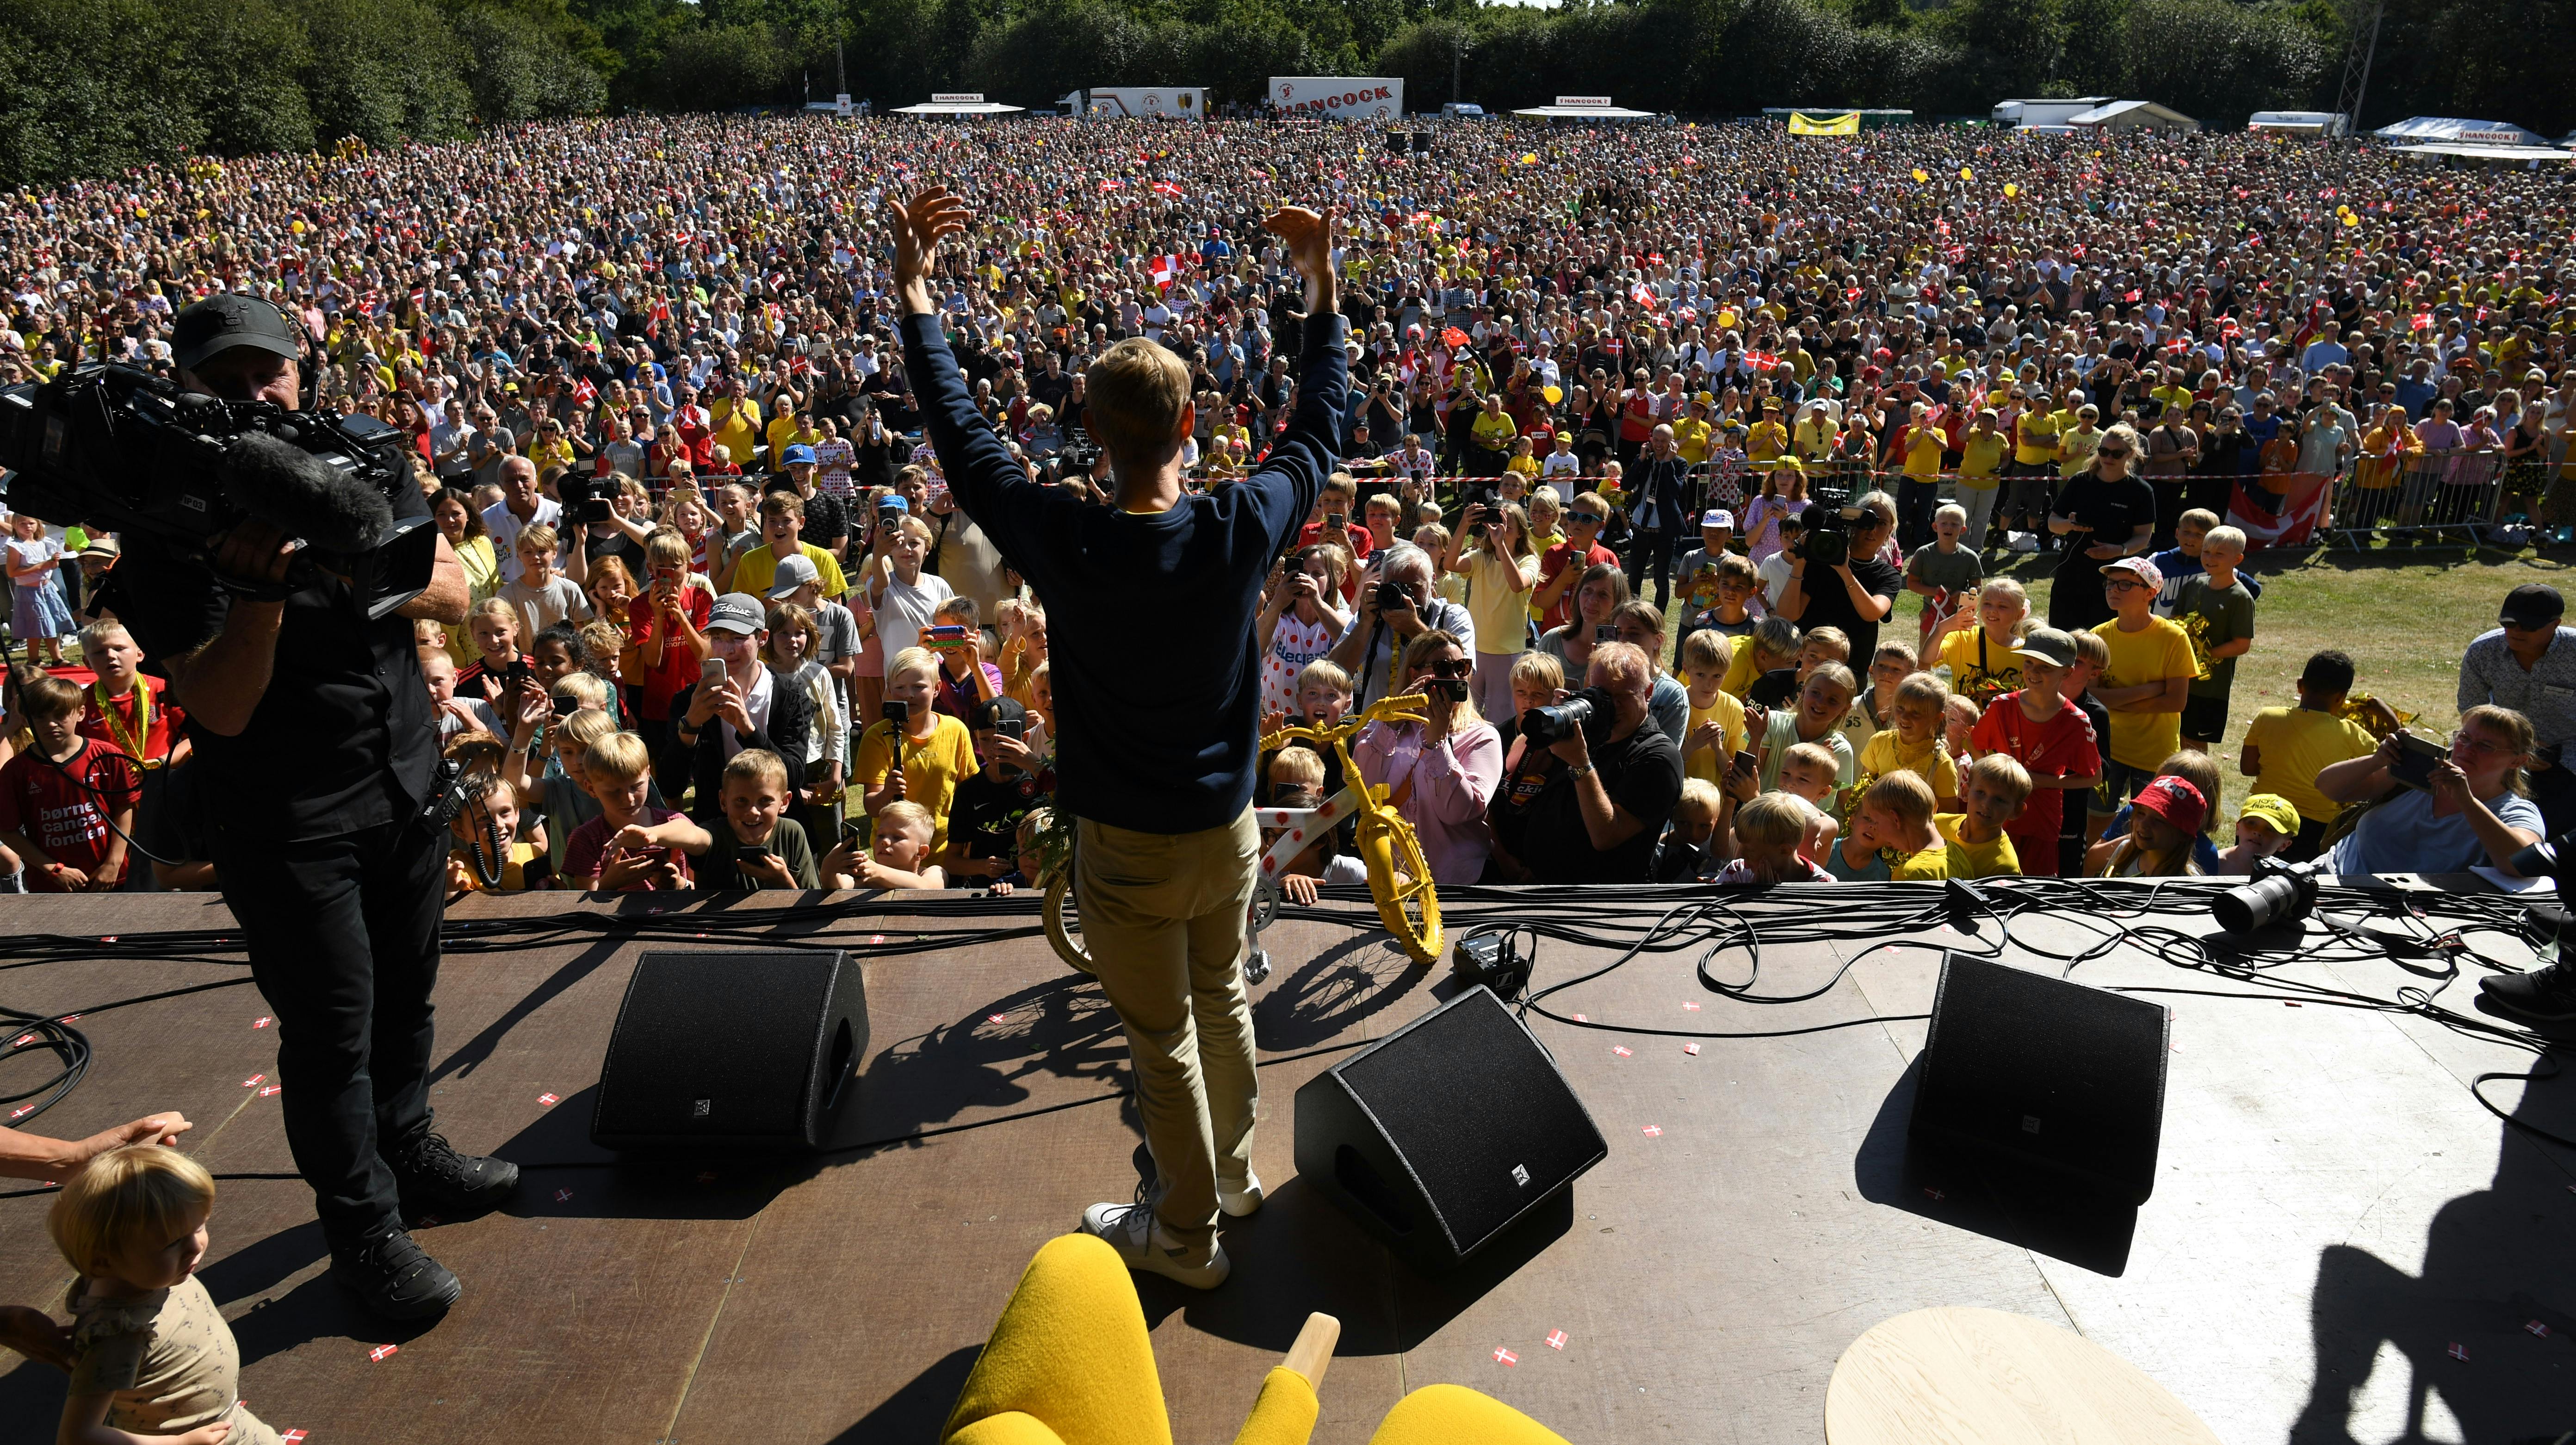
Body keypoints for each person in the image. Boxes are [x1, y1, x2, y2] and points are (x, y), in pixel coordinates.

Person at [889, 185, 1344, 1288]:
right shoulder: (1243, 524)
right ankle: (1231, 1182)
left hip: (1126, 847)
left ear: (1088, 431)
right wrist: (1322, 290)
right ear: (1192, 426)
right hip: (1225, 829)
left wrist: (916, 300)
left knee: (1163, 1042)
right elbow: (1320, 427)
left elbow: (965, 442)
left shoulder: (1064, 536)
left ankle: (1184, 1236)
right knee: (1224, 1001)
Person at [92, 293, 500, 1321]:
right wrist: (265, 595)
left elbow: (452, 594)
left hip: (403, 776)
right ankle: (362, 1233)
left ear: (301, 371)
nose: (252, 395)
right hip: (287, 815)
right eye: (224, 380)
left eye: (267, 372)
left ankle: (409, 1151)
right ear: (187, 388)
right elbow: (221, 706)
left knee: (409, 993)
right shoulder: (166, 522)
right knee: (331, 1028)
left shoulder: (362, 450)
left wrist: (349, 542)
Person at [49, 1145, 288, 1445]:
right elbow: (77, 1437)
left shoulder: (143, 1272)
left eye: (200, 1225)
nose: (196, 1246)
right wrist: (179, 1443)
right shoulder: (119, 1331)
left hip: (225, 1421)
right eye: (172, 1242)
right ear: (104, 1260)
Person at [1515, 642, 1684, 882]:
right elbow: (1518, 768)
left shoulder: (1659, 757)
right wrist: (1554, 725)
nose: (1610, 707)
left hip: (1594, 899)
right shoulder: (1588, 726)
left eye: (1621, 697)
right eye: (1601, 695)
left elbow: (1607, 835)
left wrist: (1580, 763)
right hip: (1540, 882)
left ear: (1648, 693)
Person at [2319, 704, 2545, 878]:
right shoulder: (2420, 772)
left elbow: (2525, 865)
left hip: (2405, 913)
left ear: (2518, 761)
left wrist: (2467, 802)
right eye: (2464, 738)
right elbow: (2327, 786)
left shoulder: (2513, 811)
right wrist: (2376, 760)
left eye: (2486, 746)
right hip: (2330, 875)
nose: (2468, 749)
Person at [1353, 630, 1502, 884]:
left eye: (1462, 667)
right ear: (1414, 675)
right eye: (1443, 668)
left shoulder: (1483, 736)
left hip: (1457, 880)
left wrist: (1437, 743)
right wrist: (1393, 721)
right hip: (1395, 877)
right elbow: (1365, 789)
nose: (1455, 676)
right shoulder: (1380, 727)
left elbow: (1458, 812)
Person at [1967, 628, 2103, 878]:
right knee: (1986, 881)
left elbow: (2094, 777)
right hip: (1994, 813)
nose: (2033, 672)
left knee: (2032, 887)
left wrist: (2041, 782)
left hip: (2041, 820)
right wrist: (1995, 776)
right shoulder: (2001, 706)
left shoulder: (2077, 721)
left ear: (2067, 672)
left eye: (2046, 667)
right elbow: (1974, 743)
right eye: (2029, 663)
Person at [2238, 650, 2388, 862]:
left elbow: (2248, 768)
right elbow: (2396, 755)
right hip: (2316, 828)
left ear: (2300, 685)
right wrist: (2388, 716)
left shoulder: (2268, 717)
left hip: (2261, 817)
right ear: (2342, 697)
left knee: (2244, 880)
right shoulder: (2351, 733)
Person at [2457, 583, 2576, 833]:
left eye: (2529, 626)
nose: (2516, 631)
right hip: (2502, 751)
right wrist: (2515, 751)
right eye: (2509, 624)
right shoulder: (2483, 651)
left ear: (2556, 624)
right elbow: (2471, 710)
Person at [2089, 557, 2196, 807]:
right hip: (2107, 750)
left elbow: (2176, 701)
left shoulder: (2174, 638)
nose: (2114, 589)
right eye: (2111, 583)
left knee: (2149, 825)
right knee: (2097, 818)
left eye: (2125, 584)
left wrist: (2116, 701)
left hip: (2155, 755)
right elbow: (2093, 697)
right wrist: (2148, 690)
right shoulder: (2098, 636)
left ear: (2150, 593)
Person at [564, 731, 711, 890]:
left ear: (648, 774)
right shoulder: (586, 840)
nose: (629, 799)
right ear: (591, 789)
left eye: (636, 787)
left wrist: (681, 884)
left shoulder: (677, 824)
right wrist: (608, 884)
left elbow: (702, 890)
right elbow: (587, 907)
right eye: (614, 791)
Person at [2046, 422, 2156, 634]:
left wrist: (2119, 550)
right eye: (2104, 451)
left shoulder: (2141, 491)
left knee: (2103, 641)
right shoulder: (2081, 481)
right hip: (2072, 571)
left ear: (2130, 454)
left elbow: (2143, 538)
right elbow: (2052, 523)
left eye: (2116, 454)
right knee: (2063, 636)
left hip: (2116, 578)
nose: (2109, 458)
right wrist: (2069, 525)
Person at [1774, 494, 1901, 658]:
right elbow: (1788, 614)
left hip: (1854, 664)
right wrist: (1800, 562)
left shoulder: (1888, 574)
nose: (1873, 530)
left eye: (1882, 523)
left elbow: (1872, 613)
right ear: (1853, 522)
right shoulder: (1819, 562)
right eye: (1866, 521)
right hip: (1811, 662)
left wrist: (1844, 571)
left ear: (1891, 529)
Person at [2170, 525, 2255, 750]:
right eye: (2207, 551)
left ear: (2238, 559)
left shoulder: (2240, 597)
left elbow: (2242, 644)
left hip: (2210, 686)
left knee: (2194, 743)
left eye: (2219, 553)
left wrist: (2203, 656)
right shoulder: (2193, 586)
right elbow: (2174, 621)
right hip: (2179, 679)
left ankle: (2197, 784)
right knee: (2172, 735)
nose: (2210, 558)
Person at [714, 747, 823, 890]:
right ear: (724, 802)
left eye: (765, 800)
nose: (753, 812)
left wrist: (784, 882)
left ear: (784, 803)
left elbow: (810, 903)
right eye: (741, 800)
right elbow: (691, 835)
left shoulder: (792, 833)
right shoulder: (715, 835)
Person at [1938, 753, 2031, 879]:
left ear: (2017, 811)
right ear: (1965, 792)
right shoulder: (1938, 825)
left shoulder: (2004, 867)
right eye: (1981, 793)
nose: (1986, 805)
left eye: (1999, 800)